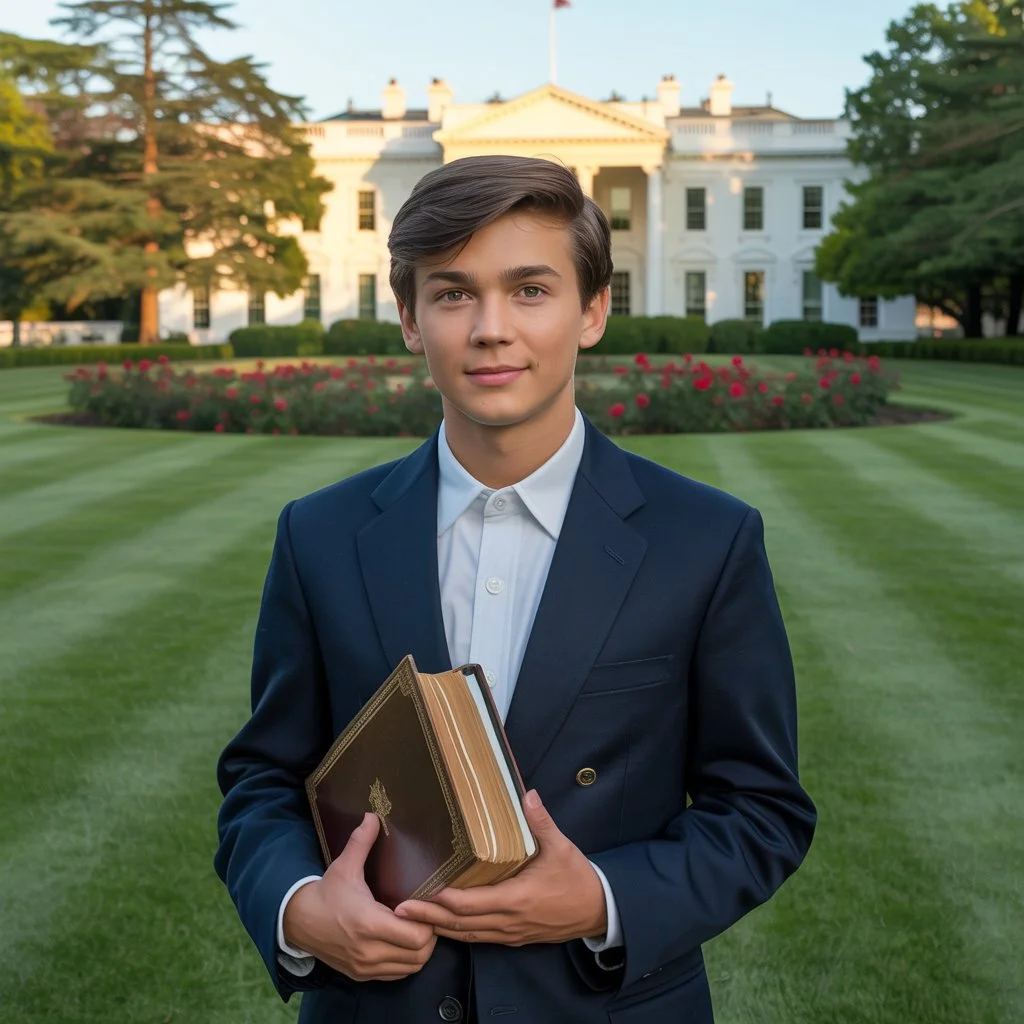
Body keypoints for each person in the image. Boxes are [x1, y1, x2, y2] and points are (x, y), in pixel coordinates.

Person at [214, 154, 816, 1024]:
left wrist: (605, 898)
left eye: (530, 289)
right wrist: (299, 906)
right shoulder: (321, 534)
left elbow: (760, 809)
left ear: (594, 309)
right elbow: (264, 777)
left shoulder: (706, 540)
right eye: (454, 293)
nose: (491, 328)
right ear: (411, 320)